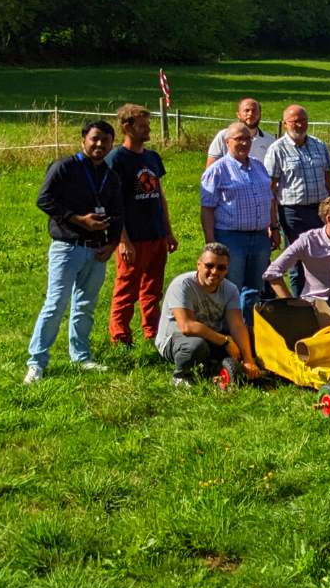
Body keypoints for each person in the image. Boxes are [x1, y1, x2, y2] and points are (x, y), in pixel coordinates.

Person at [25, 119, 124, 384]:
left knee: (85, 306)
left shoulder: (110, 175)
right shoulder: (64, 167)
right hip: (67, 247)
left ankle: (80, 356)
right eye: (95, 139)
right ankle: (37, 362)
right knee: (55, 304)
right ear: (83, 140)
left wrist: (112, 243)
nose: (100, 145)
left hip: (97, 251)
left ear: (112, 144)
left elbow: (118, 212)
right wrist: (79, 220)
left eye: (105, 140)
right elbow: (44, 199)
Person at [108, 103, 176, 349]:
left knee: (153, 289)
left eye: (148, 125)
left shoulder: (152, 157)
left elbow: (160, 196)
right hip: (133, 238)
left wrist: (167, 231)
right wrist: (123, 240)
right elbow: (113, 204)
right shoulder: (116, 159)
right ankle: (121, 337)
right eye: (143, 125)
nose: (148, 130)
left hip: (155, 234)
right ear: (127, 127)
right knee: (126, 289)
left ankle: (152, 333)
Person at [155, 243, 262, 385]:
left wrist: (248, 359)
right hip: (178, 340)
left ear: (226, 270)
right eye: (209, 265)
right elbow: (187, 326)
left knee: (252, 334)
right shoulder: (182, 285)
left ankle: (225, 367)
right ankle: (181, 376)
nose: (214, 271)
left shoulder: (230, 289)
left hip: (211, 336)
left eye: (221, 268)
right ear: (198, 265)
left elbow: (236, 325)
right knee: (196, 346)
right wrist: (225, 341)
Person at [199, 121, 277, 297]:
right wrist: (211, 242)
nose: (244, 143)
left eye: (248, 139)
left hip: (260, 237)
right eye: (239, 139)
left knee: (256, 288)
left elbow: (270, 199)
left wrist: (274, 227)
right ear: (227, 142)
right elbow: (207, 209)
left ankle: (248, 324)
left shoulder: (258, 166)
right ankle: (228, 323)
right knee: (230, 287)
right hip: (231, 238)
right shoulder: (217, 170)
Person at [264, 105, 330, 292]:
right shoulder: (277, 150)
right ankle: (299, 306)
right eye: (295, 121)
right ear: (285, 123)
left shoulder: (319, 145)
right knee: (297, 261)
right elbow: (270, 188)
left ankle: (321, 302)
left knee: (322, 257)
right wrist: (272, 223)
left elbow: (328, 179)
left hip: (320, 211)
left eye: (303, 120)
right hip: (293, 213)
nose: (300, 124)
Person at [208, 98, 273, 164]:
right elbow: (211, 168)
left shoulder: (270, 141)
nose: (250, 114)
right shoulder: (224, 136)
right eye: (246, 110)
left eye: (254, 111)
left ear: (260, 115)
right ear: (238, 115)